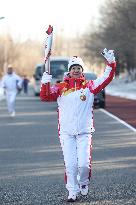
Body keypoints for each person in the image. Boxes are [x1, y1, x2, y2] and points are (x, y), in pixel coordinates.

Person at [40, 49, 116, 202]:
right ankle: (72, 191)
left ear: (82, 71)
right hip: (66, 132)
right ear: (69, 71)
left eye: (78, 68)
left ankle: (84, 182)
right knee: (71, 165)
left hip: (84, 131)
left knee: (83, 165)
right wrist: (45, 82)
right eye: (73, 68)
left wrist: (111, 63)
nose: (75, 70)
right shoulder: (60, 87)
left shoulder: (90, 86)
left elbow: (107, 78)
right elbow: (45, 96)